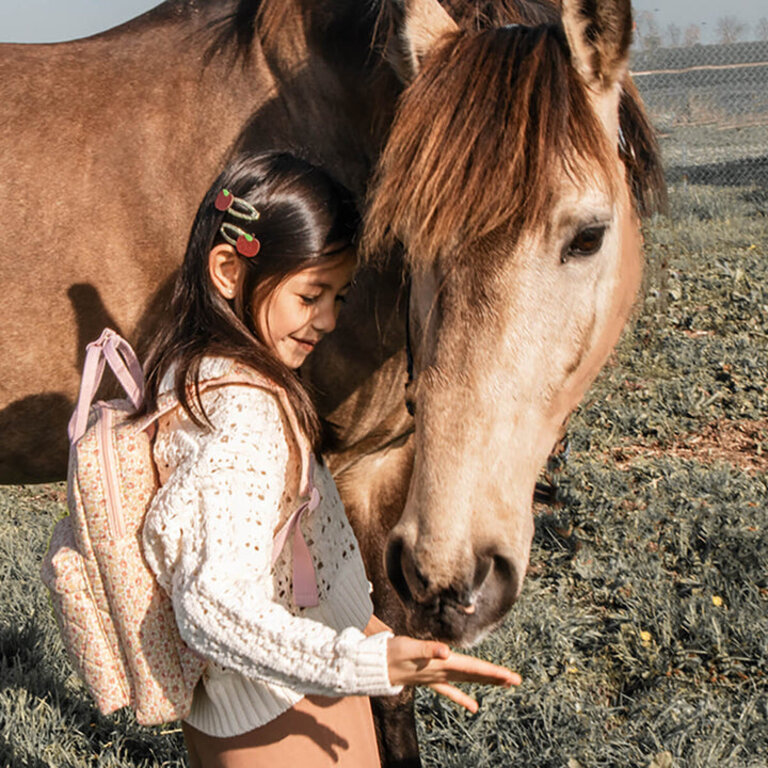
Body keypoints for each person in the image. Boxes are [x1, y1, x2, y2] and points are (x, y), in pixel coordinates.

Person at [138, 151, 520, 768]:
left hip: (291, 686)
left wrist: (373, 637)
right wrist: (365, 661)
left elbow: (302, 553)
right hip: (274, 714)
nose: (329, 320)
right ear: (229, 271)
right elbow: (213, 604)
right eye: (311, 294)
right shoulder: (243, 413)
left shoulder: (211, 369)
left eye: (339, 296)